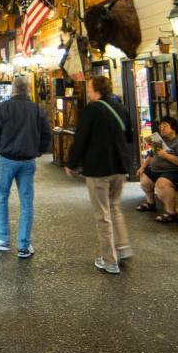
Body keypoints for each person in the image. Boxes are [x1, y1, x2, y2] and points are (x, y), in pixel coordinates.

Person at [65, 75, 132, 274]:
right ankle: (123, 247)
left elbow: (81, 139)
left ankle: (109, 260)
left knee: (102, 214)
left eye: (90, 88)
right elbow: (129, 136)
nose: (88, 91)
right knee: (114, 207)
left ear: (96, 90)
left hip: (98, 169)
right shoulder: (121, 108)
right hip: (119, 167)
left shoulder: (91, 110)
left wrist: (71, 162)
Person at [0, 76, 53, 259]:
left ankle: (1, 238)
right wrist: (38, 151)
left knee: (1, 197)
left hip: (6, 159)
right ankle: (23, 245)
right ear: (28, 90)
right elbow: (47, 134)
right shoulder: (36, 110)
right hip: (27, 161)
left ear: (13, 90)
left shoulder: (3, 108)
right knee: (26, 203)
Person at [137, 115, 178, 222]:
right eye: (160, 126)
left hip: (174, 171)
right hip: (157, 170)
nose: (161, 128)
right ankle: (150, 203)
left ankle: (171, 213)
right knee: (144, 180)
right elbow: (151, 155)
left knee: (162, 184)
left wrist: (166, 155)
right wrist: (143, 167)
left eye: (165, 126)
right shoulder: (160, 139)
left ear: (174, 128)